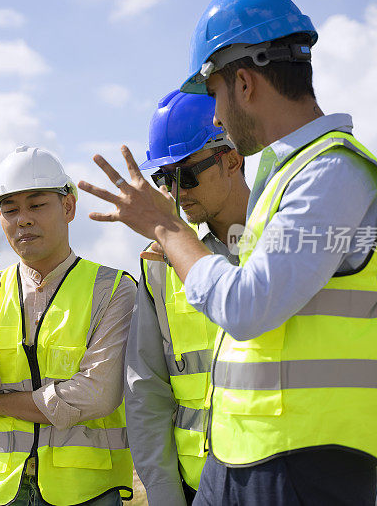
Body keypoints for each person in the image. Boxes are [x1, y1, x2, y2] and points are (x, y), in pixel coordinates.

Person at [79, 0, 377, 506]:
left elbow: (247, 305)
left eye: (213, 94)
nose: (215, 116)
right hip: (245, 457)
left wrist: (167, 230)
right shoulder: (286, 179)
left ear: (243, 82)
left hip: (303, 464)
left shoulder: (332, 171)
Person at [0, 145, 136, 506]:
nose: (23, 219)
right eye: (10, 209)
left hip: (86, 493)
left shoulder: (113, 290)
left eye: (36, 205)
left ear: (68, 207)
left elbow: (95, 395)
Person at [126, 90, 248, 506]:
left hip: (280, 480)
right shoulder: (158, 264)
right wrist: (165, 496)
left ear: (232, 159)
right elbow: (147, 393)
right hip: (197, 489)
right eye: (165, 179)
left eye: (187, 174)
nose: (175, 191)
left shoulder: (281, 245)